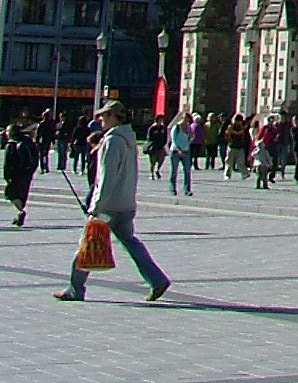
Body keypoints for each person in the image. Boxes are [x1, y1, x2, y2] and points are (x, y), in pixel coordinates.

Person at [54, 99, 169, 303]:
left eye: (104, 116)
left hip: (109, 205)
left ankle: (75, 288)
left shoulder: (112, 141)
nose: (100, 120)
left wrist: (96, 208)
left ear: (113, 117)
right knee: (131, 243)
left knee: (87, 244)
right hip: (126, 203)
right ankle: (156, 279)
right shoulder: (129, 138)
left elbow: (106, 178)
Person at [3, 120, 39, 228]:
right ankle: (19, 214)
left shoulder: (12, 144)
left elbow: (7, 162)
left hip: (16, 174)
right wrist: (30, 171)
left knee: (10, 193)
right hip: (26, 173)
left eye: (8, 131)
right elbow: (35, 158)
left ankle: (20, 211)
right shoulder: (28, 142)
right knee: (22, 194)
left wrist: (7, 175)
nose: (6, 133)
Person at [167, 112, 194, 197]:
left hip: (186, 151)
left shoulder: (189, 128)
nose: (186, 120)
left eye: (188, 118)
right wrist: (178, 150)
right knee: (174, 171)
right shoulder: (177, 127)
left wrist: (191, 137)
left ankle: (187, 190)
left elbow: (190, 139)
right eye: (184, 118)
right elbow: (174, 140)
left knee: (187, 171)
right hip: (175, 151)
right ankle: (172, 189)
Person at [145, 116, 167, 180]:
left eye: (162, 120)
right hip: (154, 147)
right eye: (159, 120)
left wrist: (163, 143)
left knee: (161, 160)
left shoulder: (163, 128)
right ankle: (151, 173)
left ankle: (158, 170)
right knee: (153, 161)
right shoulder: (152, 128)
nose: (161, 121)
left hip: (161, 147)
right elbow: (149, 138)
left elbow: (165, 136)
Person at [36, 109, 55, 174]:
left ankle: (42, 168)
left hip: (42, 140)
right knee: (46, 154)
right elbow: (52, 132)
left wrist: (36, 140)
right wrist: (53, 140)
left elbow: (38, 133)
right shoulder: (51, 123)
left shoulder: (41, 123)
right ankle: (46, 167)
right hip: (48, 140)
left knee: (41, 155)